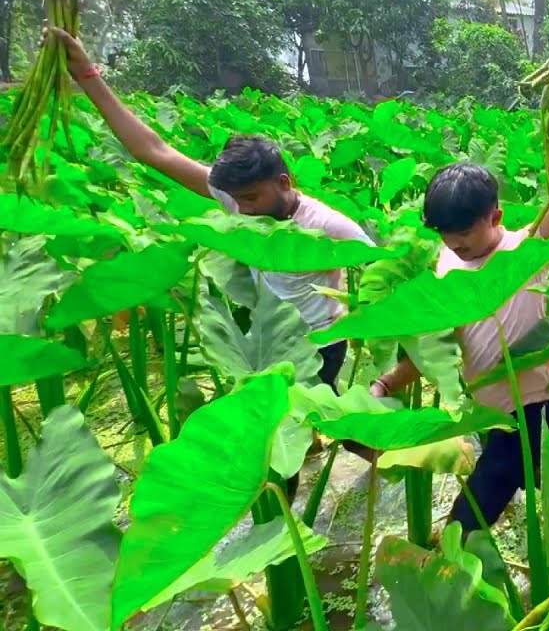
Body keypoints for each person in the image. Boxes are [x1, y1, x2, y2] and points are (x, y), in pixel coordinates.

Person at [370, 36, 549, 536]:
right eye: (446, 235)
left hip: (532, 405)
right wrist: (387, 383)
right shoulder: (447, 262)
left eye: (465, 235)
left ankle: (454, 550)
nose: (456, 244)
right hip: (486, 407)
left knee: (471, 515)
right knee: (539, 472)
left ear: (496, 217)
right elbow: (436, 344)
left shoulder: (526, 251)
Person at [46, 26, 372, 396]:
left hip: (320, 345)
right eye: (237, 200)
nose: (242, 210)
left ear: (283, 183)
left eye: (251, 198)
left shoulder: (326, 223)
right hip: (267, 339)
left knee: (308, 418)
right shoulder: (238, 199)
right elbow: (154, 151)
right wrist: (86, 74)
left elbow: (383, 266)